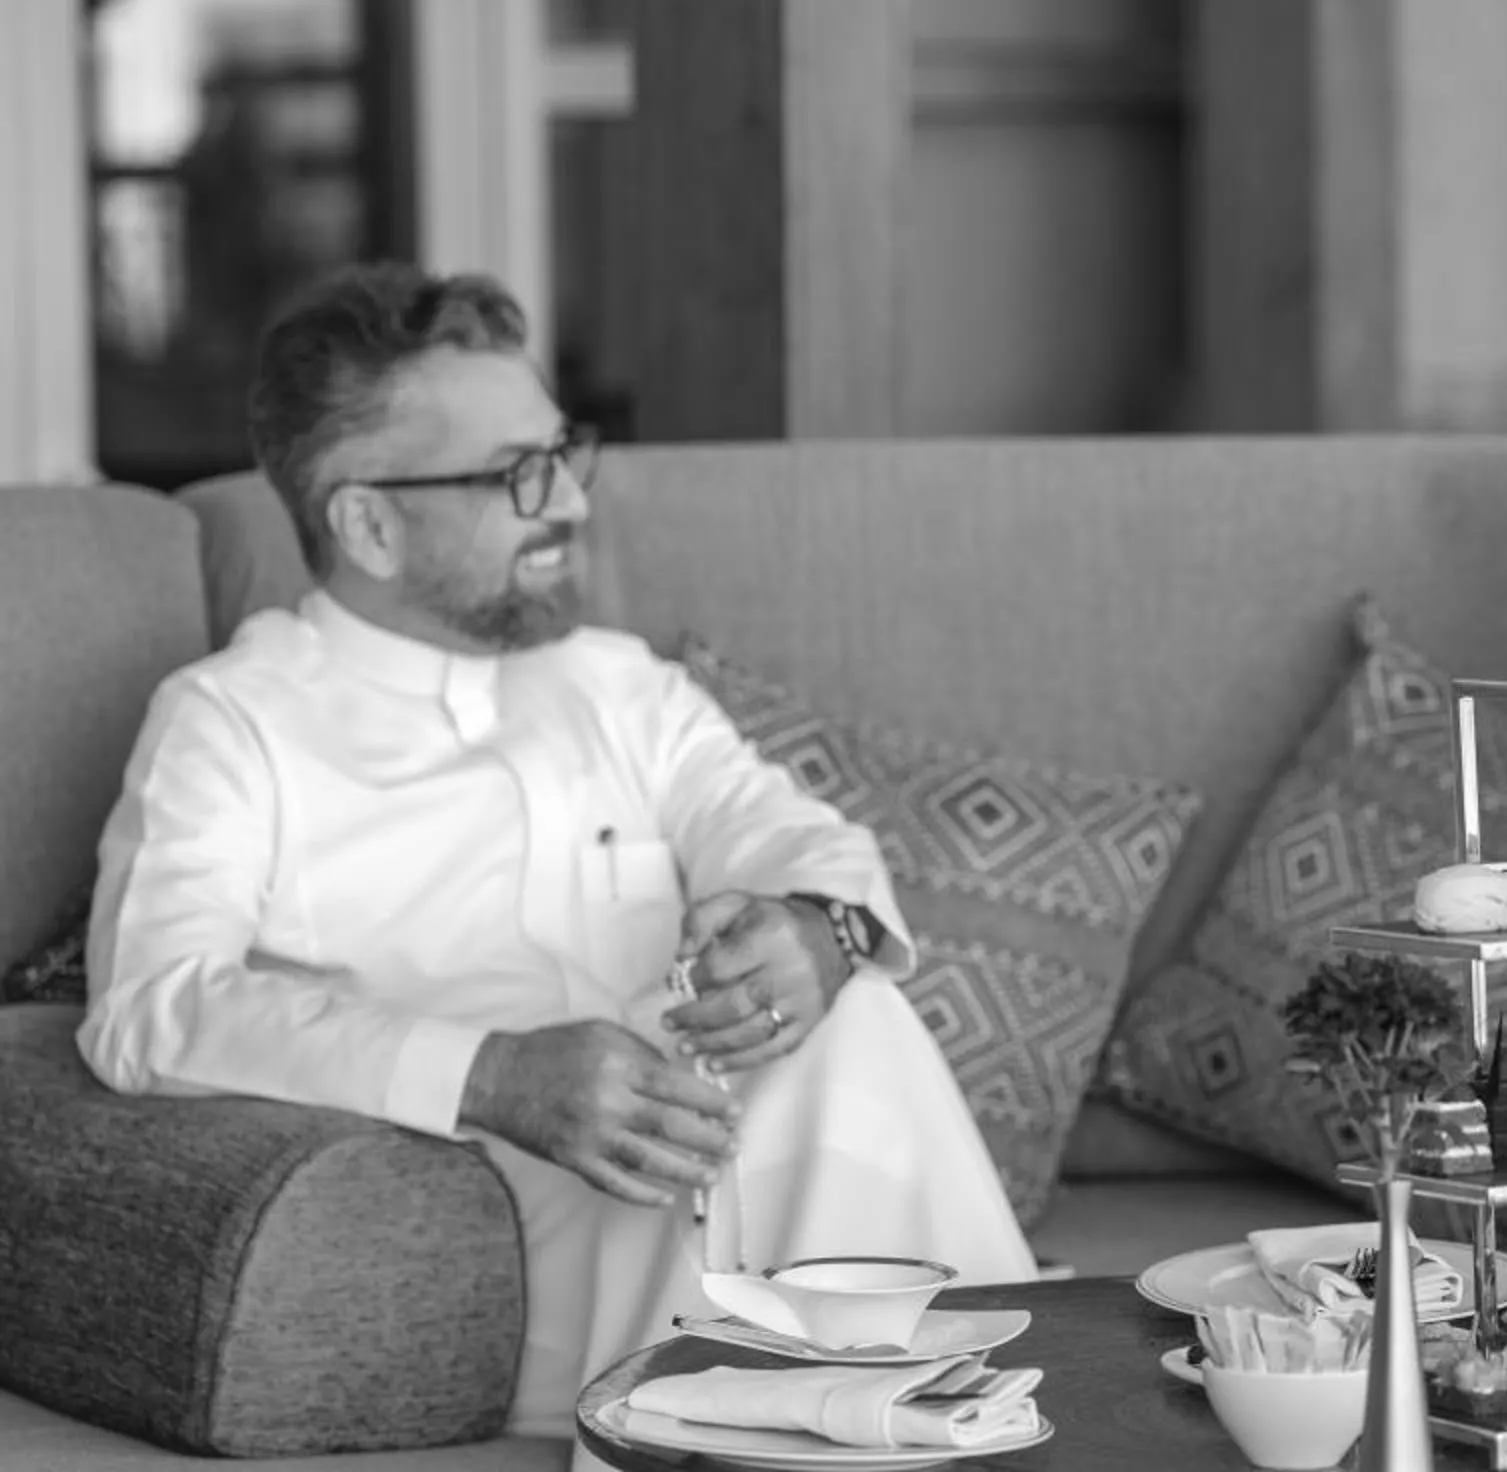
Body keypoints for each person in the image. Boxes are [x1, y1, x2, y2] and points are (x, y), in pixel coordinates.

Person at [78, 263, 1036, 1465]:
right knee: (840, 1060)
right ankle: (1001, 1411)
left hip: (724, 1179)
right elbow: (149, 1009)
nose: (570, 505)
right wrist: (491, 1074)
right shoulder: (233, 721)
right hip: (520, 1231)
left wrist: (816, 930)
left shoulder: (615, 682)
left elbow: (785, 827)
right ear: (368, 522)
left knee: (847, 1019)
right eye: (516, 475)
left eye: (564, 455)